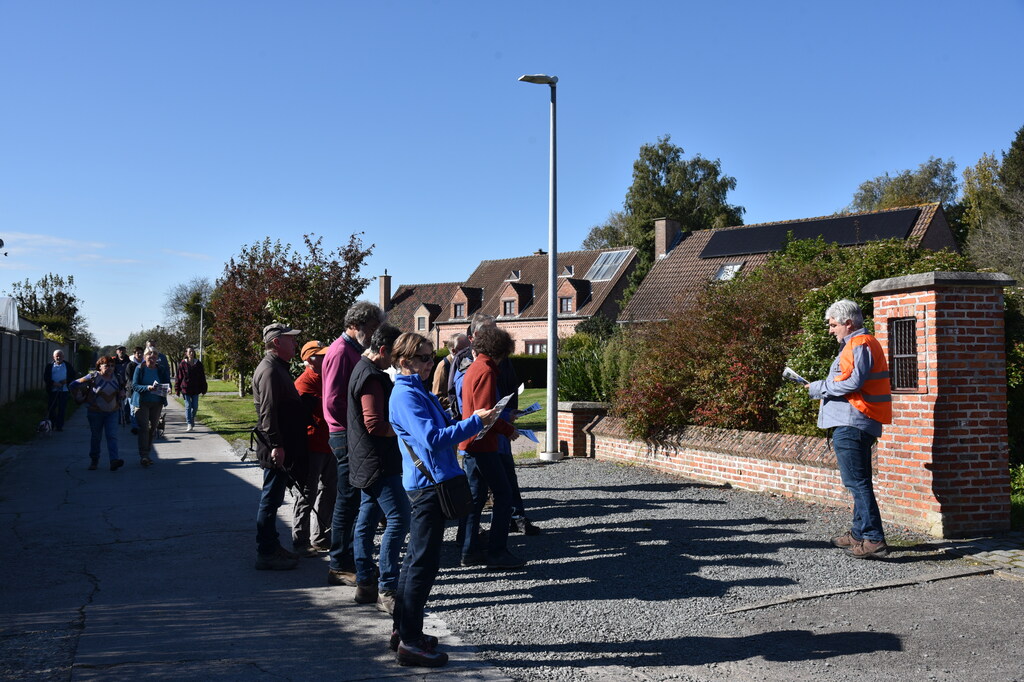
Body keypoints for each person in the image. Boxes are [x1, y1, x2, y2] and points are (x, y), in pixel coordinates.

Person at [388, 332, 497, 667]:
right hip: (426, 488)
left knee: (416, 562)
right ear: (404, 361)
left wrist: (477, 422)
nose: (430, 362)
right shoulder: (405, 395)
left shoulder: (417, 390)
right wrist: (473, 424)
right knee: (421, 563)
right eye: (423, 357)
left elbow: (445, 426)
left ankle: (404, 631)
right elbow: (432, 439)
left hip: (431, 484)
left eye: (431, 355)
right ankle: (410, 641)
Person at [805, 298, 892, 560]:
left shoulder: (858, 343)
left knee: (857, 483)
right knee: (858, 481)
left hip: (853, 422)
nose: (831, 330)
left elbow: (852, 382)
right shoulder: (860, 343)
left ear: (848, 323)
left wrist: (818, 387)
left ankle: (874, 540)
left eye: (833, 325)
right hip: (857, 421)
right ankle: (858, 534)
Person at [322, 301, 385, 586]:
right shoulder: (339, 351)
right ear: (356, 325)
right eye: (371, 328)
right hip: (345, 434)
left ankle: (346, 557)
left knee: (353, 498)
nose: (373, 335)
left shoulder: (353, 349)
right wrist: (354, 430)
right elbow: (333, 402)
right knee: (347, 499)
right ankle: (338, 563)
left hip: (350, 433)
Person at [348, 323, 408, 615]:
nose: (396, 361)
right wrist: (406, 428)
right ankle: (387, 587)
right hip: (377, 462)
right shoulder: (371, 377)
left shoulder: (362, 369)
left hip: (364, 459)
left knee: (367, 518)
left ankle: (365, 584)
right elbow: (374, 425)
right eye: (394, 355)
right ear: (382, 350)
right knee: (399, 518)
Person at [459, 324, 525, 569]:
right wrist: (509, 430)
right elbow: (486, 414)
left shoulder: (475, 367)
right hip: (483, 444)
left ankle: (469, 550)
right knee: (504, 495)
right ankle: (497, 552)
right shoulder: (487, 370)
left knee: (475, 500)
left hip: (471, 443)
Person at [252, 323, 308, 571]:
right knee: (270, 499)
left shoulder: (277, 367)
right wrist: (277, 445)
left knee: (274, 500)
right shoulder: (271, 371)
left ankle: (272, 546)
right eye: (290, 339)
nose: (295, 343)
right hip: (276, 448)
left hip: (283, 445)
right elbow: (268, 413)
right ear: (276, 342)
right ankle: (266, 552)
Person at [292, 340, 337, 557]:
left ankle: (320, 537)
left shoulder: (326, 377)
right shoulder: (304, 383)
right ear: (310, 359)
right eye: (321, 355)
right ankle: (300, 540)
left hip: (330, 444)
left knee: (329, 490)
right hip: (312, 446)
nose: (326, 358)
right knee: (307, 493)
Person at [72, 356, 125, 471]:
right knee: (96, 437)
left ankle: (114, 461)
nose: (110, 368)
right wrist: (80, 396)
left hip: (112, 412)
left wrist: (122, 393)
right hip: (95, 412)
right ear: (99, 366)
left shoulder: (117, 377)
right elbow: (73, 384)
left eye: (112, 366)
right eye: (107, 366)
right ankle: (94, 460)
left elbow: (122, 389)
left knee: (112, 436)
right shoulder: (93, 376)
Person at [130, 349, 171, 467]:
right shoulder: (140, 369)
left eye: (154, 356)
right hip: (142, 402)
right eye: (149, 355)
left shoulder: (161, 369)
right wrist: (147, 388)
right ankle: (144, 455)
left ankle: (147, 453)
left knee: (152, 429)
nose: (152, 358)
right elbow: (135, 386)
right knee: (144, 428)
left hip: (157, 402)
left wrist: (168, 388)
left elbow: (166, 381)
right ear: (144, 356)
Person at [431, 332, 468, 409]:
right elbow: (437, 396)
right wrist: (458, 400)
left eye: (469, 348)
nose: (468, 352)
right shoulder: (443, 366)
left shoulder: (465, 362)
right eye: (464, 350)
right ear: (454, 351)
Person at [174, 346, 208, 432]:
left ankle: (192, 419)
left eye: (192, 352)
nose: (191, 353)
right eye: (189, 352)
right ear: (186, 353)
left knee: (195, 407)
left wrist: (204, 388)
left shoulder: (198, 364)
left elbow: (202, 377)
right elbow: (178, 377)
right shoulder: (182, 364)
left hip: (196, 389)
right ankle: (189, 423)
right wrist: (177, 389)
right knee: (188, 406)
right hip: (185, 389)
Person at [44, 349, 77, 431]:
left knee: (62, 408)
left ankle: (59, 426)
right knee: (51, 408)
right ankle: (52, 424)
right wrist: (53, 383)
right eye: (57, 356)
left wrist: (66, 381)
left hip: (64, 390)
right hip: (53, 390)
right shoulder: (49, 366)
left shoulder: (67, 365)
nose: (59, 357)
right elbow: (46, 377)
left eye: (60, 356)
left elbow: (73, 375)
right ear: (53, 357)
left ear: (63, 357)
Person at [124, 347, 145, 432]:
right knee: (133, 409)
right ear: (134, 354)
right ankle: (134, 426)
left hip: (143, 390)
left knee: (142, 409)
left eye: (140, 353)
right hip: (132, 390)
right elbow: (128, 378)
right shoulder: (130, 365)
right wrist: (136, 384)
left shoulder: (145, 364)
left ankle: (141, 424)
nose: (139, 354)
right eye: (137, 353)